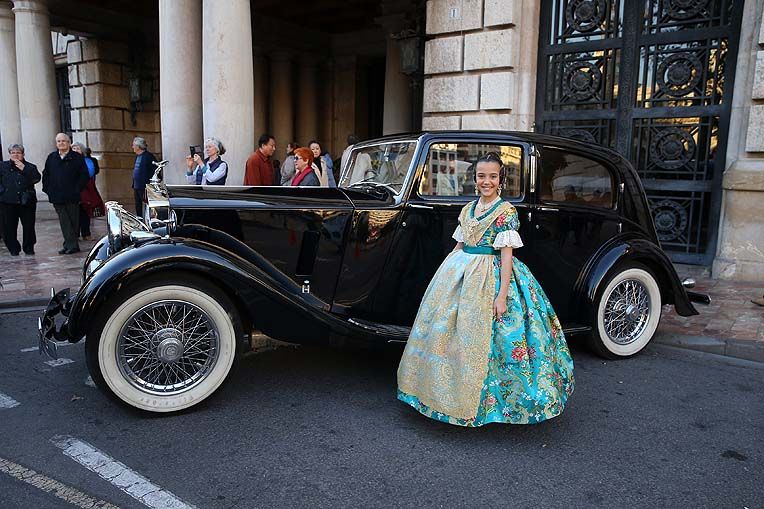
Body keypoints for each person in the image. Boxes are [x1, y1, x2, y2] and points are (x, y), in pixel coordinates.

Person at [397, 152, 575, 426]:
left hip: (489, 276)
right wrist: (444, 275)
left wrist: (502, 295)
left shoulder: (506, 212)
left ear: (500, 179)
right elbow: (459, 245)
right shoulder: (468, 209)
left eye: (493, 176)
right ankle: (440, 395)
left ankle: (485, 405)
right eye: (482, 176)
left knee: (494, 339)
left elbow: (506, 256)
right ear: (475, 179)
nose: (487, 181)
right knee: (447, 334)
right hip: (461, 273)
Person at [42, 133, 90, 255]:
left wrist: (77, 189)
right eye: (59, 141)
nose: (61, 143)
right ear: (56, 143)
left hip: (72, 195)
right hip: (56, 195)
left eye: (64, 141)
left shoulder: (77, 158)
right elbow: (46, 174)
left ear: (68, 143)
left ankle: (70, 244)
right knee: (64, 219)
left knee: (73, 220)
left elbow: (84, 175)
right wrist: (48, 189)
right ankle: (71, 245)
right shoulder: (51, 157)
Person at [0, 144, 41, 256]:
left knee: (28, 226)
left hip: (26, 201)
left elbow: (36, 178)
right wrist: (2, 192)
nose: (15, 155)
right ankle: (13, 248)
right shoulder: (2, 166)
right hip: (8, 201)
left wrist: (24, 169)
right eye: (13, 153)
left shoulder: (30, 167)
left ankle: (29, 248)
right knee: (8, 227)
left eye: (18, 152)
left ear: (23, 154)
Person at [71, 142, 101, 240]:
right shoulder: (69, 160)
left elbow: (91, 172)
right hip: (73, 191)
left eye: (77, 148)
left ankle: (86, 233)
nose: (75, 150)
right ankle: (75, 234)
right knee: (74, 213)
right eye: (73, 148)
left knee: (85, 211)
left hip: (85, 190)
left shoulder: (88, 161)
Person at [131, 137, 156, 217]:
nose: (132, 147)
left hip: (145, 186)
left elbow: (155, 170)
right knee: (138, 205)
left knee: (147, 204)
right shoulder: (137, 156)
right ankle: (140, 220)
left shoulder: (148, 156)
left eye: (134, 145)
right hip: (137, 185)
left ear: (138, 147)